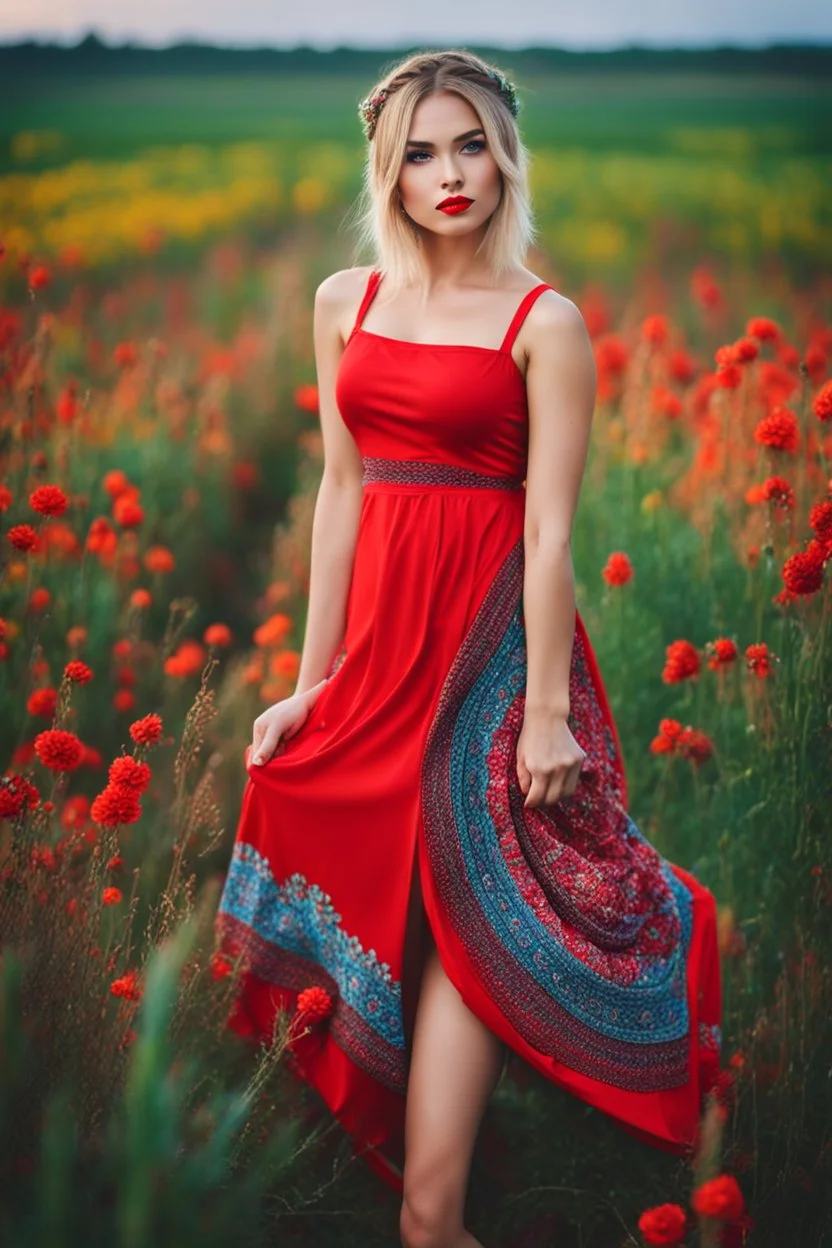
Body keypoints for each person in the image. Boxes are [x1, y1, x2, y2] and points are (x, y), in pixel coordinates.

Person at [215, 48, 722, 1248]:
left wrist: (544, 710)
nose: (452, 175)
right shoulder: (348, 302)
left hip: (491, 659)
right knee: (329, 832)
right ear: (387, 171)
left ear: (506, 156)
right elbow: (340, 495)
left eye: (473, 145)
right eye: (423, 153)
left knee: (473, 911)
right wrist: (312, 687)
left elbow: (549, 532)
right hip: (381, 654)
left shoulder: (547, 323)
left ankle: (436, 1206)